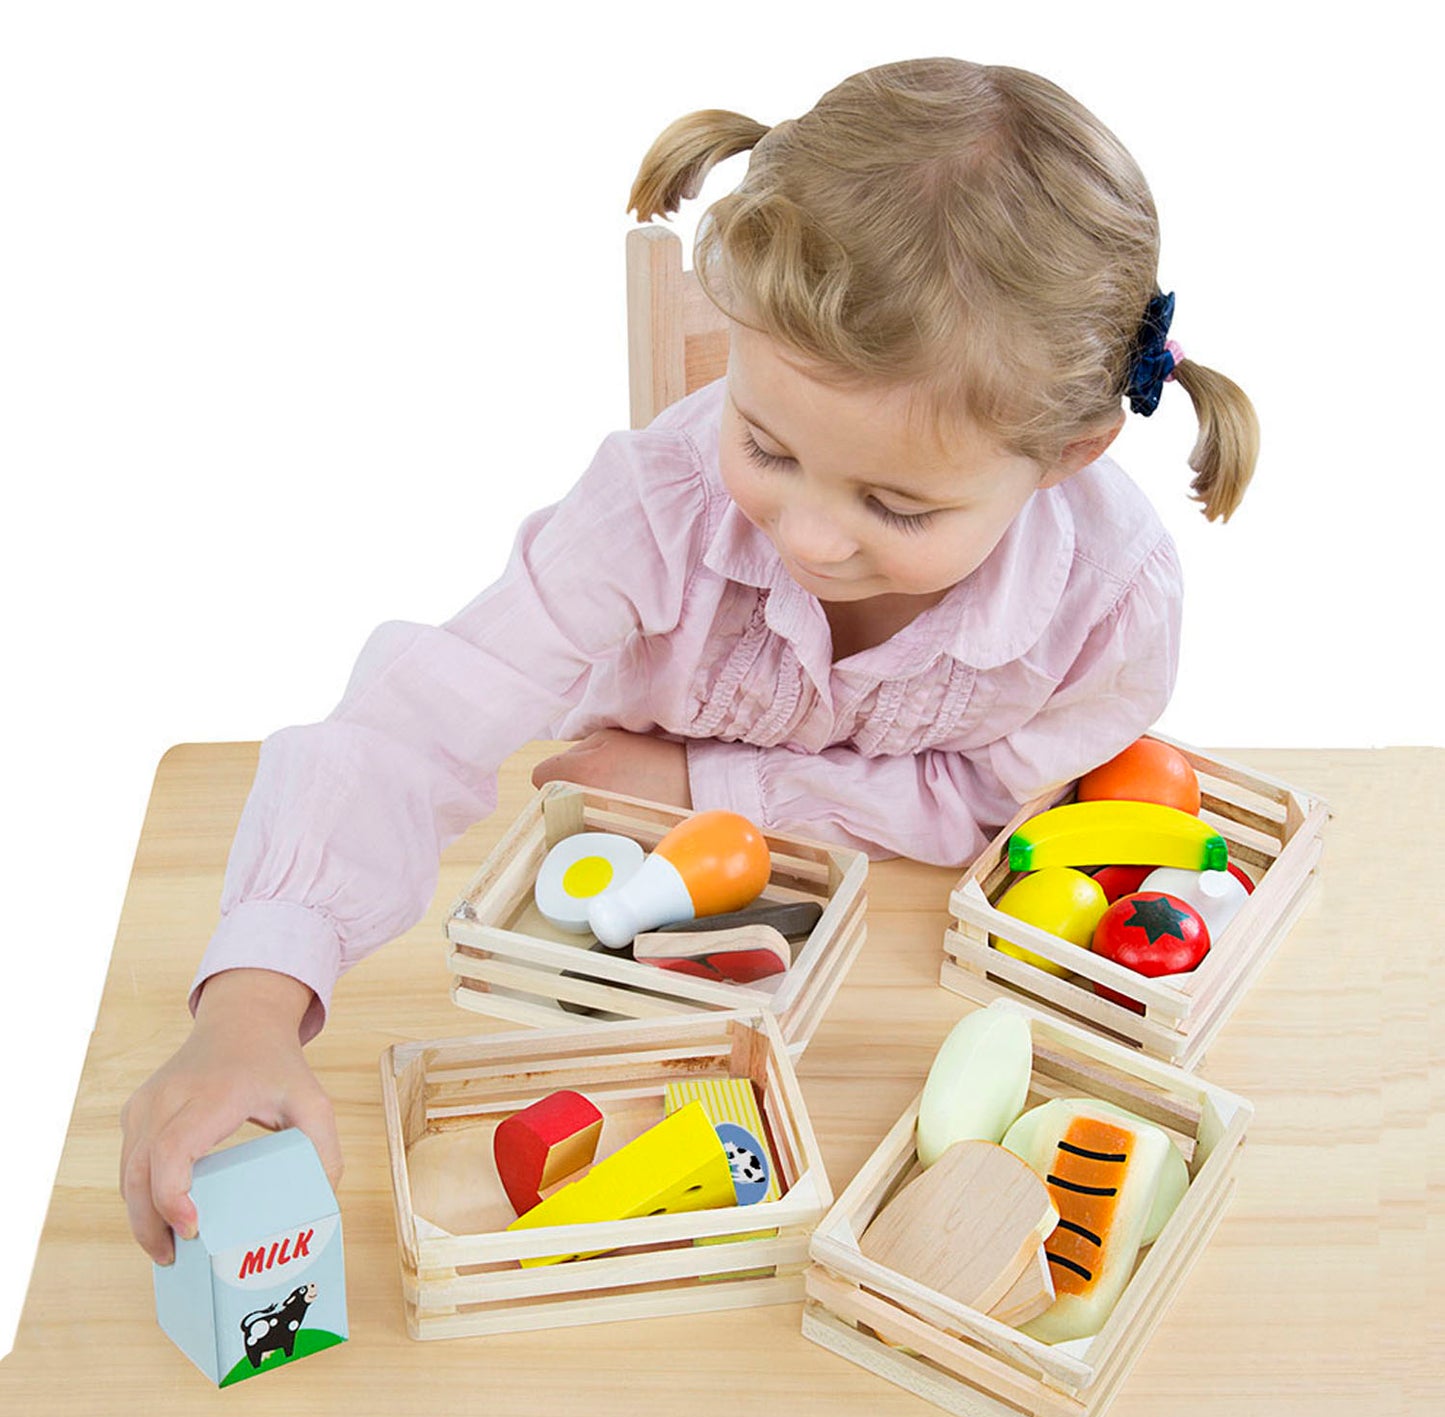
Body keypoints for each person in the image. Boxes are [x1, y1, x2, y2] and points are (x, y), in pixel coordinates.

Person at [121, 57, 1258, 1264]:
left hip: (882, 977)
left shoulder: (1108, 604)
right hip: (607, 914)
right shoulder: (651, 511)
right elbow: (412, 724)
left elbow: (981, 799)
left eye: (896, 504)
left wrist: (703, 783)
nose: (813, 537)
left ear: (1069, 452)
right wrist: (252, 1000)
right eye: (763, 442)